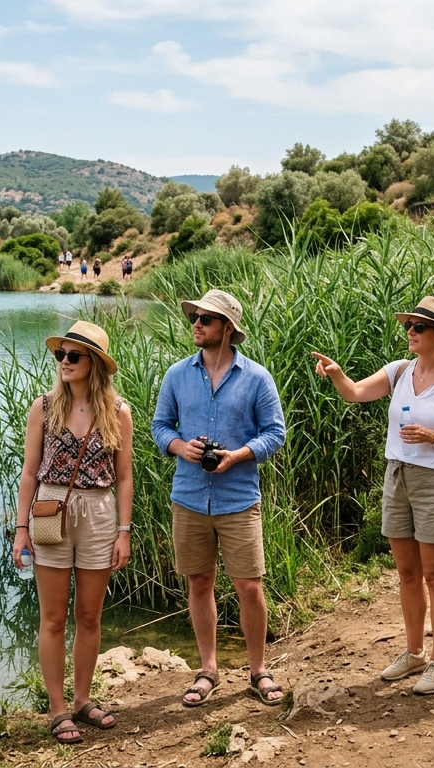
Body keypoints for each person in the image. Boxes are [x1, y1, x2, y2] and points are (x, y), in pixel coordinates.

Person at [312, 296, 434, 695]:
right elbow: (354, 393)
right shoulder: (400, 370)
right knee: (407, 573)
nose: (410, 331)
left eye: (419, 327)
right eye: (409, 325)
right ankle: (414, 652)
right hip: (397, 476)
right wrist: (337, 373)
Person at [151, 290, 287, 708]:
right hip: (189, 496)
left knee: (249, 585)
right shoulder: (177, 374)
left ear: (228, 328)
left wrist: (239, 455)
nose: (196, 323)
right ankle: (208, 669)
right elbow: (159, 426)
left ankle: (258, 670)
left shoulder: (257, 378)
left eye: (206, 319)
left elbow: (275, 434)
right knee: (199, 582)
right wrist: (180, 447)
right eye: (195, 317)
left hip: (238, 496)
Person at [12, 320, 135, 745]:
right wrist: (20, 528)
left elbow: (123, 477)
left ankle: (82, 700)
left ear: (94, 363)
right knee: (52, 617)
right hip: (50, 508)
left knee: (88, 615)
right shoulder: (43, 407)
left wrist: (124, 531)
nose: (64, 362)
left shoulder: (118, 411)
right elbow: (29, 472)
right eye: (60, 355)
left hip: (99, 513)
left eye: (73, 356)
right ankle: (57, 708)